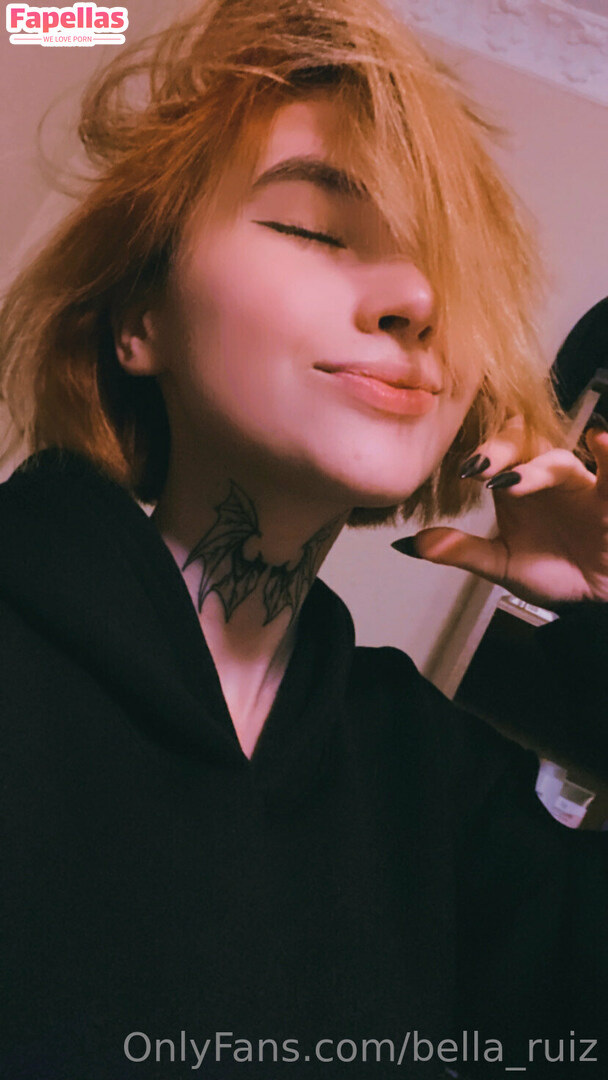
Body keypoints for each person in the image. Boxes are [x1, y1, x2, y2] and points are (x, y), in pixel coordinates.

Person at [0, 0, 606, 1077]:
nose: (417, 300)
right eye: (314, 229)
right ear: (140, 320)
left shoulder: (433, 780)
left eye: (451, 273)